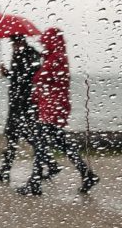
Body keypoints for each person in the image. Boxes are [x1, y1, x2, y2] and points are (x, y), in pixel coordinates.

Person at [24, 27, 99, 195]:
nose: (43, 44)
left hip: (54, 107)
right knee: (61, 143)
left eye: (46, 41)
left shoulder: (57, 57)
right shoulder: (53, 56)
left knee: (41, 143)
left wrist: (36, 70)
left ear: (52, 41)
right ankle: (87, 174)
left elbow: (40, 77)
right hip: (50, 105)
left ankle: (35, 183)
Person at [0, 34, 58, 193]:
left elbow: (29, 76)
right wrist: (7, 73)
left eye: (14, 42)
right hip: (16, 102)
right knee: (12, 134)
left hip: (27, 102)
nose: (13, 45)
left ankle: (49, 163)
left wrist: (11, 74)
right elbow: (17, 77)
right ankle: (6, 170)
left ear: (21, 41)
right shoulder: (18, 54)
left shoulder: (32, 54)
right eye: (12, 43)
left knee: (29, 134)